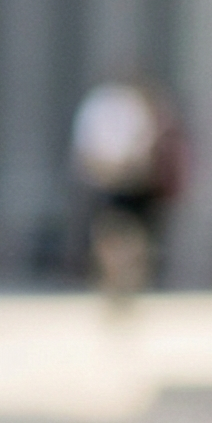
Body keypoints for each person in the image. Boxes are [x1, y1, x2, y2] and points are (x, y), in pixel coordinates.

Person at [69, 78, 184, 303]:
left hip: (133, 182)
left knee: (130, 237)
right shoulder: (107, 107)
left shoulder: (137, 107)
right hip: (112, 181)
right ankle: (116, 282)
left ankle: (127, 283)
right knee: (112, 235)